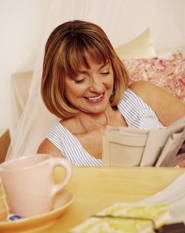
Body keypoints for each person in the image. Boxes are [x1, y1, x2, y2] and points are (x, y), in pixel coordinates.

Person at [37, 20, 185, 167]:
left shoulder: (144, 95)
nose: (98, 87)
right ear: (57, 83)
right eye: (80, 79)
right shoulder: (54, 151)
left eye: (104, 72)